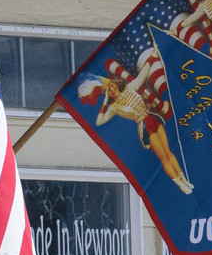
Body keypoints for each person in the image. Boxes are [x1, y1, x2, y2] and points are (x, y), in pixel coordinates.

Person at [78, 59, 193, 195]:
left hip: (152, 118)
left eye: (113, 87)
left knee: (168, 151)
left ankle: (184, 179)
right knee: (163, 157)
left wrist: (151, 60)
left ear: (116, 84)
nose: (113, 90)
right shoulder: (114, 107)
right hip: (144, 125)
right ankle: (179, 184)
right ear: (109, 94)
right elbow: (99, 121)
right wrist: (104, 103)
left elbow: (142, 75)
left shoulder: (130, 88)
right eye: (110, 91)